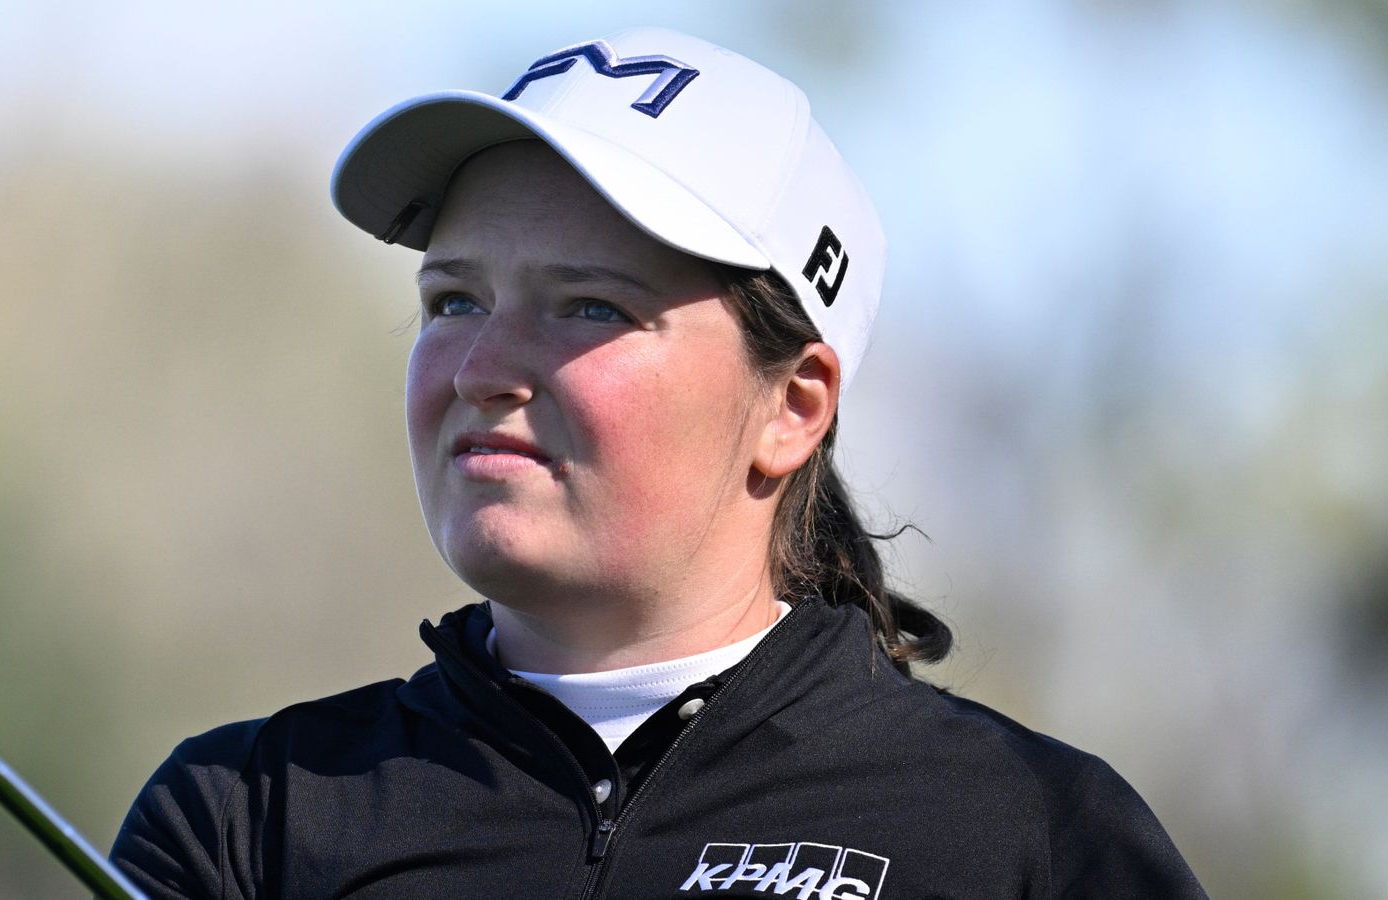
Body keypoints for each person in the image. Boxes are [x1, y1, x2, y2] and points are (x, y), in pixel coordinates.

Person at [109, 27, 1205, 899]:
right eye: (454, 300)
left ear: (792, 406)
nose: (482, 366)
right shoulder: (245, 817)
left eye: (589, 306)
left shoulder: (1030, 833)